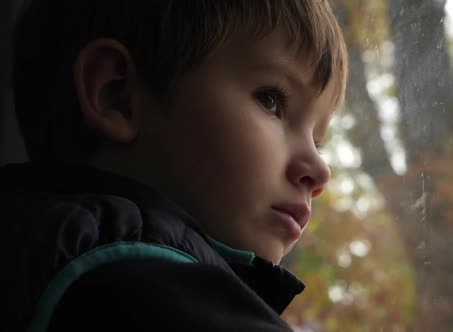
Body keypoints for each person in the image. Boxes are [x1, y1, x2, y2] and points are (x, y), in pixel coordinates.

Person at [0, 0, 348, 331]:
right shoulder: (134, 277)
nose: (319, 171)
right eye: (271, 100)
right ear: (118, 96)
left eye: (318, 141)